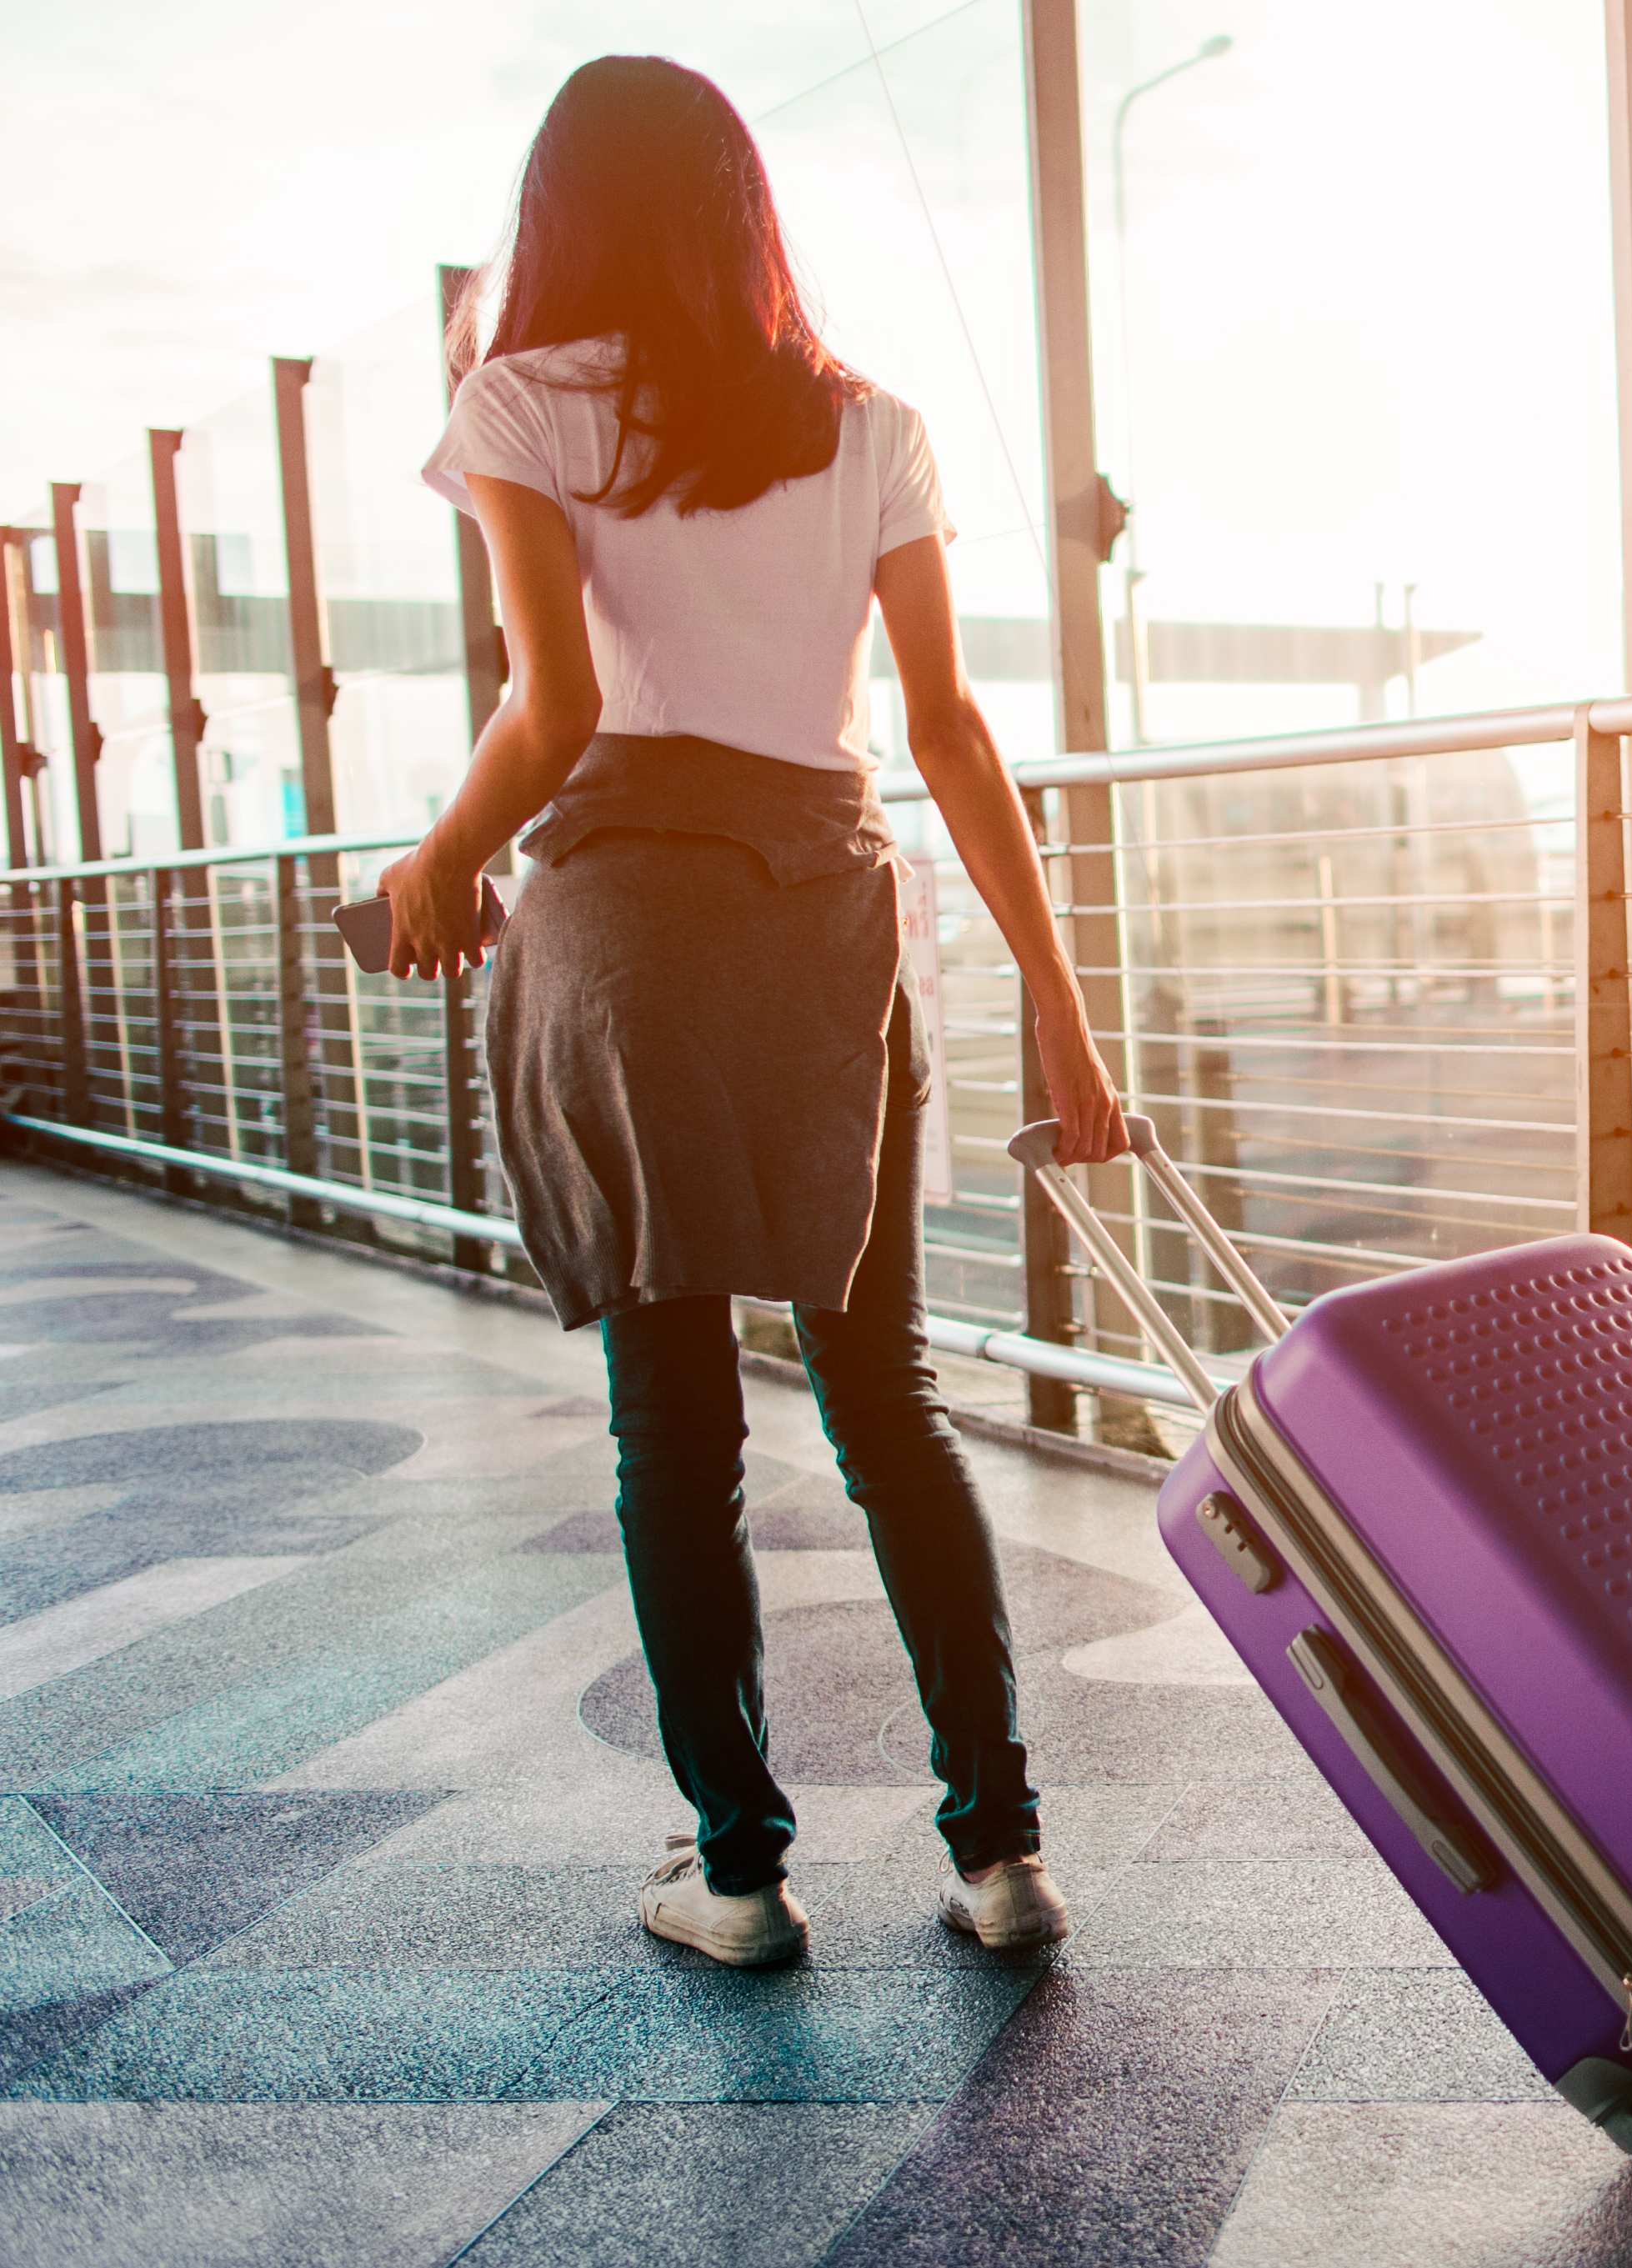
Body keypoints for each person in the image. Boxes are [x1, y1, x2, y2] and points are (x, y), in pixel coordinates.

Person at [382, 55, 1126, 1969]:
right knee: (888, 1401)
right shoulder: (868, 422)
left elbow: (551, 714)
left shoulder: (520, 404)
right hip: (828, 930)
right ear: (740, 210)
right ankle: (997, 1850)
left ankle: (738, 1867)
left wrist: (435, 864)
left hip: (632, 938)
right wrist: (1061, 1008)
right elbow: (948, 732)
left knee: (677, 1433)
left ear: (559, 215)